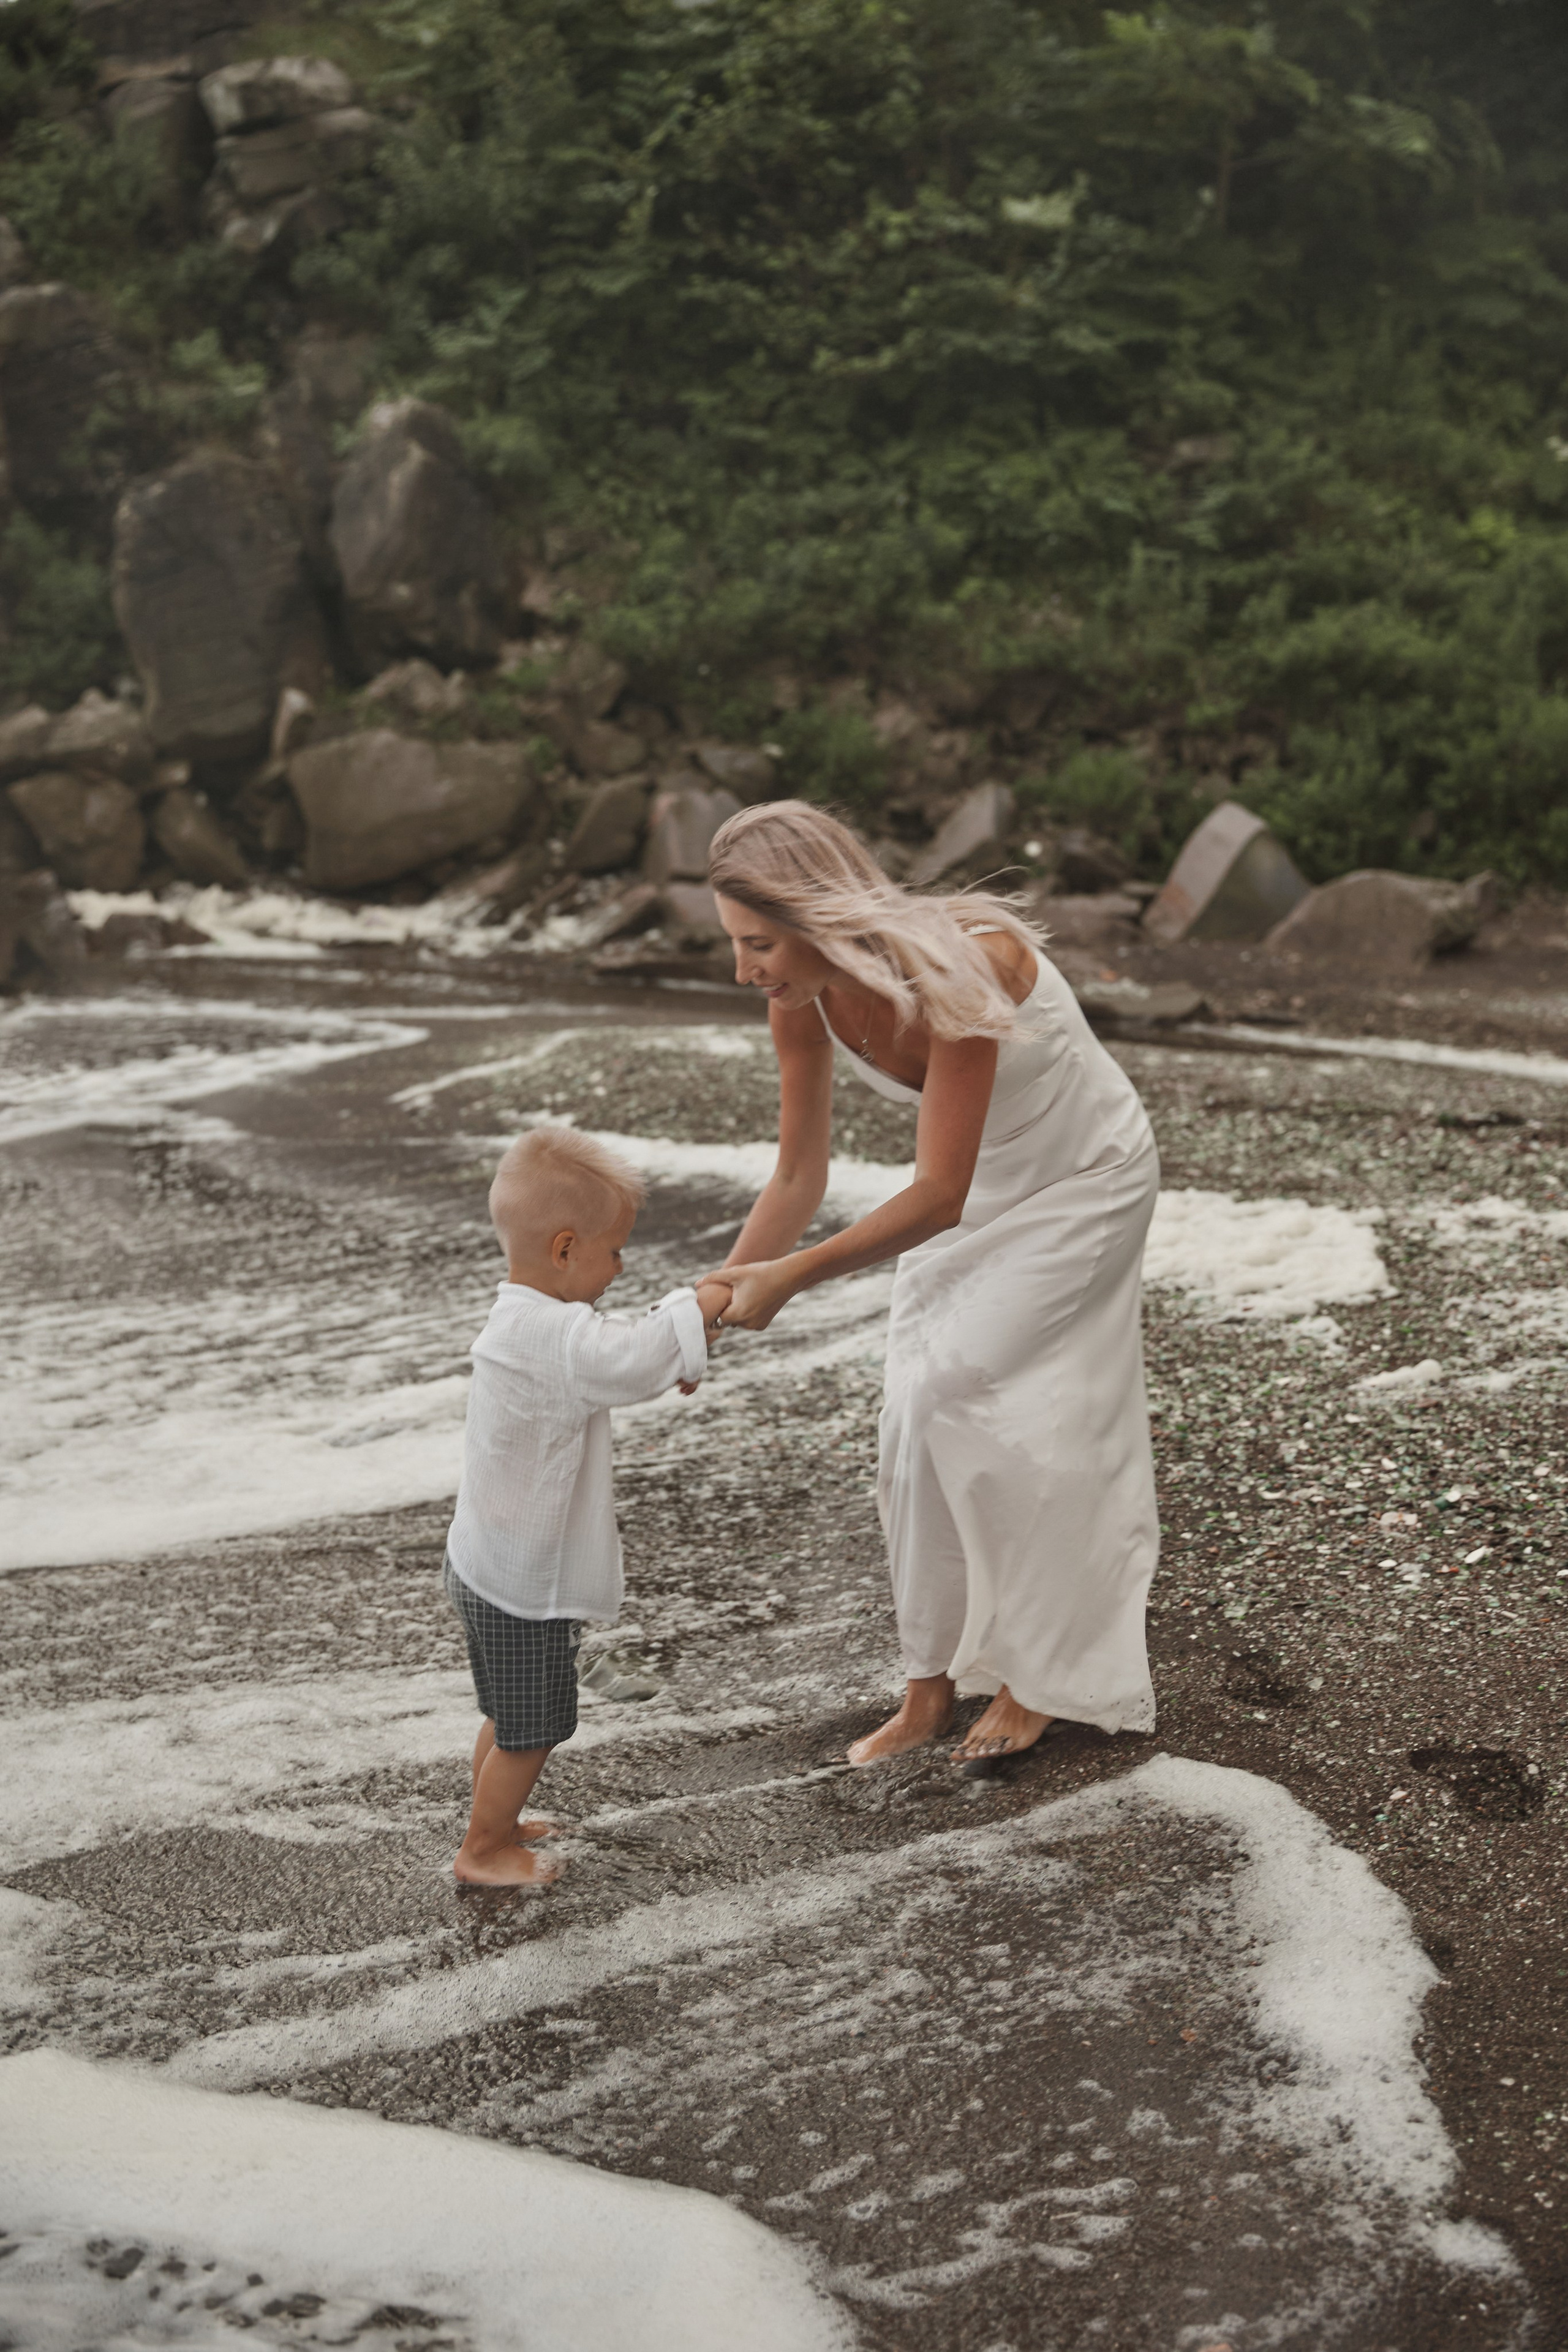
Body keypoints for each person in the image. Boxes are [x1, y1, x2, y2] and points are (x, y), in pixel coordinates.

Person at [706, 801, 1159, 1768]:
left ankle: (1041, 1675)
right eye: (736, 946)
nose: (745, 971)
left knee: (989, 1400)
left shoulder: (966, 964)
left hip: (1081, 1181)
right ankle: (928, 1687)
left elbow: (940, 1192)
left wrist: (796, 1277)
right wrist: (713, 1301)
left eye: (758, 944)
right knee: (912, 1415)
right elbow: (797, 1175)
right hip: (974, 1184)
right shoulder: (803, 997)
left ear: (817, 917)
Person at [444, 1126, 731, 1885]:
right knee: (534, 1728)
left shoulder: (520, 1320)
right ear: (565, 1249)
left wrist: (677, 1340)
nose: (621, 1265)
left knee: (508, 1716)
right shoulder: (558, 1335)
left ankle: (494, 1819)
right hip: (519, 1586)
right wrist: (697, 1307)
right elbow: (629, 1360)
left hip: (483, 1564)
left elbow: (614, 1358)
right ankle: (483, 1851)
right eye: (614, 1250)